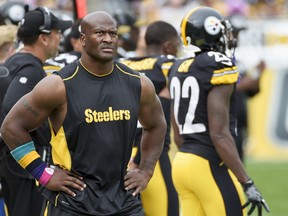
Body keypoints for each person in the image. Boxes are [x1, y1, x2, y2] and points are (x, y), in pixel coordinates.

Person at [0, 10, 166, 216]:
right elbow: (11, 127)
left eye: (113, 34)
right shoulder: (58, 86)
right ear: (83, 40)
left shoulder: (139, 83)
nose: (108, 39)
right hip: (72, 202)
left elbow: (156, 125)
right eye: (100, 33)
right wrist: (42, 173)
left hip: (123, 201)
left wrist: (146, 170)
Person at [169, 7, 269, 216]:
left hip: (182, 162)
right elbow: (219, 134)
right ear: (210, 32)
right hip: (207, 162)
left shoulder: (178, 66)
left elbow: (177, 132)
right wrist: (247, 182)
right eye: (224, 32)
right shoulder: (218, 64)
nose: (228, 37)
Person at [0, 7, 72, 216]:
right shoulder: (30, 67)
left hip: (11, 160)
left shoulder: (13, 61)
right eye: (58, 33)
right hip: (22, 163)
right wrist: (50, 137)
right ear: (44, 38)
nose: (60, 39)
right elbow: (11, 106)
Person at [120, 20, 180, 216]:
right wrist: (139, 160)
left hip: (118, 155)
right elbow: (161, 108)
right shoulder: (168, 66)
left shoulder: (123, 64)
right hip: (150, 156)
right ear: (168, 46)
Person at [229, 14, 266, 161]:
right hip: (225, 122)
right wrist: (246, 82)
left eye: (238, 33)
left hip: (239, 122)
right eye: (234, 33)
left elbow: (252, 92)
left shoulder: (239, 60)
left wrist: (258, 74)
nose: (237, 37)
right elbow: (220, 86)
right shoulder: (217, 58)